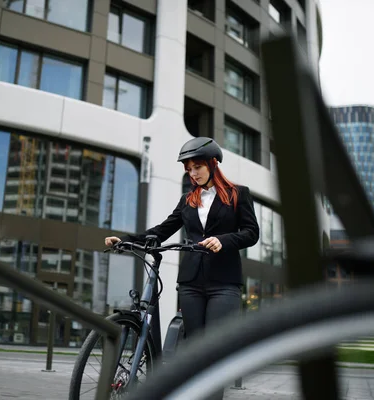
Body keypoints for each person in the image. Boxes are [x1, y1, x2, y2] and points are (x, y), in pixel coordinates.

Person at [104, 137, 260, 399]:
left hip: (224, 283)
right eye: (188, 169)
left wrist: (223, 240)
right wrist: (126, 240)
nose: (193, 173)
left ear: (212, 164)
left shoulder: (238, 194)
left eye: (197, 166)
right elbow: (162, 231)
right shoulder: (187, 200)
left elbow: (251, 233)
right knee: (194, 350)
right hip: (190, 282)